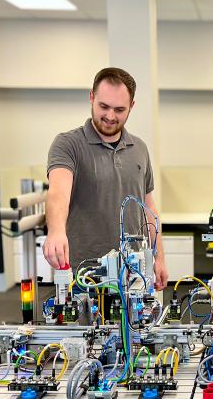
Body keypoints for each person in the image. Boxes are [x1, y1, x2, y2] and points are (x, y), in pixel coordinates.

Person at [43, 67, 168, 290]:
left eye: (119, 109)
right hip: (85, 275)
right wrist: (56, 231)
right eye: (104, 106)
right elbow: (58, 192)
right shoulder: (68, 144)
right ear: (91, 97)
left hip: (134, 273)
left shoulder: (139, 148)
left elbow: (148, 207)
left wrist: (159, 257)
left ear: (132, 106)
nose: (110, 116)